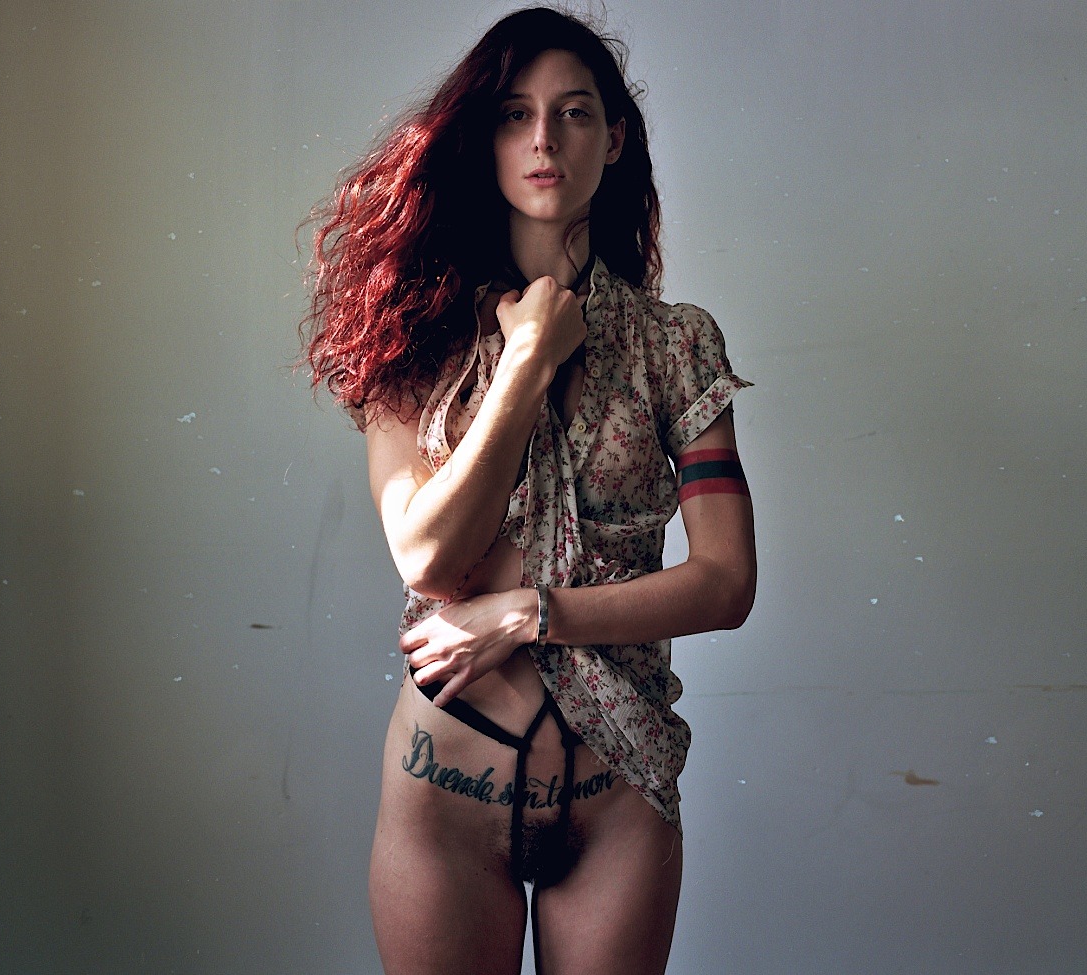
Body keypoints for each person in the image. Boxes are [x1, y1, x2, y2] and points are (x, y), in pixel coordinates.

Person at [300, 7, 756, 973]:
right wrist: (526, 360)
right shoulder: (410, 338)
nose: (544, 138)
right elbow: (428, 557)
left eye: (573, 112)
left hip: (618, 793)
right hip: (444, 798)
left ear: (614, 138)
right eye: (515, 114)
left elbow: (726, 583)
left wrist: (524, 614)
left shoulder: (677, 345)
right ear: (486, 138)